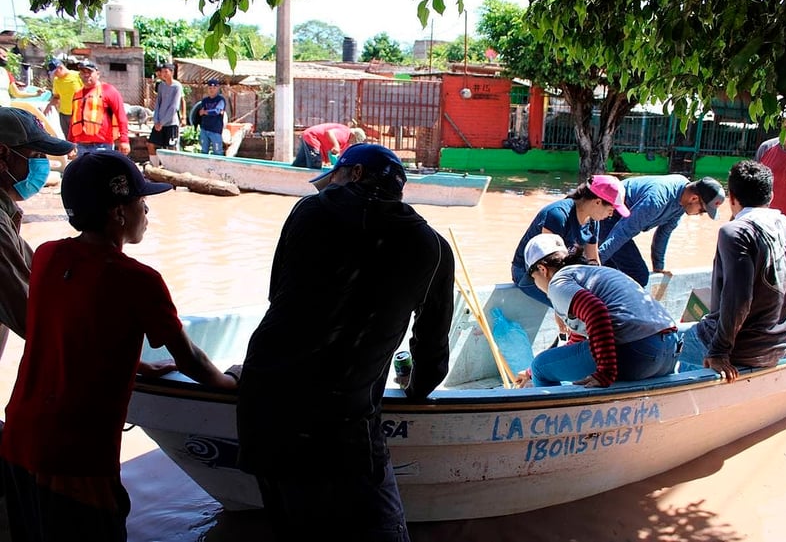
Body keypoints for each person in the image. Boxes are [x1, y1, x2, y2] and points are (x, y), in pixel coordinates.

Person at [0, 150, 239, 540]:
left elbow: (63, 335)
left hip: (18, 442)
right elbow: (191, 359)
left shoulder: (47, 255)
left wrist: (139, 367)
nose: (147, 211)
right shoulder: (137, 280)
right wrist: (232, 385)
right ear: (119, 213)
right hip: (76, 457)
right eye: (141, 201)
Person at [237, 143, 454, 541]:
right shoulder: (434, 247)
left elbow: (279, 300)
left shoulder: (308, 211)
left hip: (265, 407)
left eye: (333, 177)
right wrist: (417, 388)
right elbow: (432, 355)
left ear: (353, 174)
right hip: (347, 422)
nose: (328, 188)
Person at [678, 160, 786, 383]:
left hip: (740, 349)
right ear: (771, 196)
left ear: (732, 198)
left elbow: (738, 298)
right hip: (777, 346)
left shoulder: (735, 232)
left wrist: (718, 352)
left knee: (678, 343)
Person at [514, 233, 679, 389]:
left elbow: (596, 311)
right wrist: (528, 373)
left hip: (637, 353)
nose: (536, 284)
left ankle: (560, 416)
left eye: (534, 278)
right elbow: (578, 341)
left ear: (543, 269)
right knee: (538, 367)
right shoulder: (593, 273)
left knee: (540, 367)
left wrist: (605, 372)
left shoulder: (558, 283)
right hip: (669, 352)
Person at [0, 107, 75, 361]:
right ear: (2, 155)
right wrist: (131, 362)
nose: (42, 165)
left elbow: (39, 277)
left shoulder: (6, 215)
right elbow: (33, 318)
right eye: (36, 154)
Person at [511, 174, 628, 306]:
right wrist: (559, 306)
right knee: (577, 307)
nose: (611, 215)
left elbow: (594, 261)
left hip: (560, 272)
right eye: (611, 210)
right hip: (532, 274)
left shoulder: (592, 221)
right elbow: (548, 266)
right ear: (597, 202)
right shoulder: (558, 215)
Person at [598, 174, 726, 287]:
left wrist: (658, 266)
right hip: (606, 214)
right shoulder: (657, 201)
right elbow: (623, 231)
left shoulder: (682, 200)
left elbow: (663, 234)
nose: (700, 214)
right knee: (638, 276)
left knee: (612, 272)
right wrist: (596, 260)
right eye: (703, 210)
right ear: (694, 198)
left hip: (621, 222)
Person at [68, 59, 131, 156]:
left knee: (102, 171)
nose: (85, 75)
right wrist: (70, 143)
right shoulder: (77, 94)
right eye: (82, 72)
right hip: (81, 146)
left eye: (89, 72)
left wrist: (124, 140)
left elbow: (121, 116)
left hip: (102, 145)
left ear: (97, 74)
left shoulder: (108, 90)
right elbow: (74, 120)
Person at [146, 63, 184, 166]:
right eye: (162, 72)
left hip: (171, 123)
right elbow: (158, 103)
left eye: (166, 72)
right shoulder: (161, 86)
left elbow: (174, 107)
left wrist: (162, 122)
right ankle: (154, 168)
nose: (164, 74)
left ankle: (173, 170)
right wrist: (156, 120)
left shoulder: (177, 86)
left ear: (172, 72)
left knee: (171, 148)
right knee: (151, 144)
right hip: (159, 122)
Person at [291, 122, 367, 167]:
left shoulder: (346, 143)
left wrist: (328, 161)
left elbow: (337, 155)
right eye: (354, 141)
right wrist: (336, 145)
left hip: (309, 136)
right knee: (315, 163)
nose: (353, 143)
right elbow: (329, 132)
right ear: (353, 135)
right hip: (312, 137)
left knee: (300, 163)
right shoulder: (345, 133)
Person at [44, 58, 84, 138]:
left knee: (80, 139)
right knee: (68, 139)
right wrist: (49, 106)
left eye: (55, 72)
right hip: (64, 115)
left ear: (60, 68)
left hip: (78, 114)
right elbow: (56, 96)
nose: (55, 75)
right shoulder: (56, 81)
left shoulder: (77, 76)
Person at [197, 78, 226, 155]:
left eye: (214, 88)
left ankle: (219, 166)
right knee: (204, 151)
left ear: (218, 88)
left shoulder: (220, 100)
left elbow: (217, 111)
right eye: (210, 88)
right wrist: (204, 112)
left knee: (217, 151)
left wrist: (206, 112)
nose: (212, 90)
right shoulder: (205, 100)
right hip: (204, 129)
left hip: (215, 130)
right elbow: (200, 112)